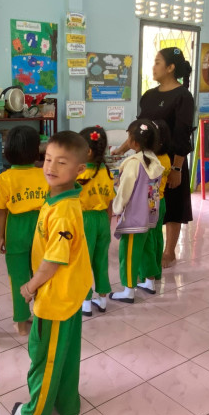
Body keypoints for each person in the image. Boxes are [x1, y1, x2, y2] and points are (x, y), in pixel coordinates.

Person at [11, 131, 93, 415]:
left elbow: (54, 260)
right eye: (47, 159)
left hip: (56, 298)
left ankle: (36, 414)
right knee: (66, 354)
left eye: (61, 162)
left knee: (45, 358)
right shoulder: (60, 200)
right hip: (68, 295)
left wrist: (30, 286)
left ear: (79, 169)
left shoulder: (63, 213)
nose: (51, 167)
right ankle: (67, 403)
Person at [117, 47, 195, 269]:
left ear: (170, 68)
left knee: (172, 205)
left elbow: (182, 135)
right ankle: (147, 245)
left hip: (171, 161)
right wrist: (122, 149)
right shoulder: (149, 95)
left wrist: (177, 169)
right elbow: (139, 128)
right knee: (146, 202)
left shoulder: (183, 96)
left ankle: (169, 252)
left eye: (158, 62)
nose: (153, 67)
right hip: (146, 160)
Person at [0, 126, 48, 335]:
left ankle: (22, 323)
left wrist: (1, 237)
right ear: (36, 150)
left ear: (8, 151)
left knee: (18, 277)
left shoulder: (5, 178)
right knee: (41, 274)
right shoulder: (44, 174)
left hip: (16, 228)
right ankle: (42, 316)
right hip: (42, 227)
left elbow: (1, 211)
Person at [109, 120, 164, 304]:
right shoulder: (154, 160)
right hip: (149, 215)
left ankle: (128, 290)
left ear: (134, 142)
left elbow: (125, 190)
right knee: (147, 249)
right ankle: (150, 281)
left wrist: (117, 208)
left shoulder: (134, 163)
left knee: (129, 253)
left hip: (134, 218)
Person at [77, 126, 115, 316]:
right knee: (101, 260)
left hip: (85, 220)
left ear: (88, 152)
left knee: (83, 261)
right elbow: (110, 202)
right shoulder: (107, 172)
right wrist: (107, 222)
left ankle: (85, 301)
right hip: (103, 220)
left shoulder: (80, 174)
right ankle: (102, 299)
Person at [137, 119, 172, 294]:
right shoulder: (165, 158)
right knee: (157, 236)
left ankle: (147, 275)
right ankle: (156, 272)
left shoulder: (151, 160)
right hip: (160, 201)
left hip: (148, 202)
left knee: (146, 240)